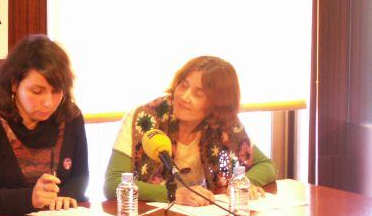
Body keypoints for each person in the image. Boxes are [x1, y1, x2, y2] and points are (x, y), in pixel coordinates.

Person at [104, 55, 277, 205]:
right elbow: (113, 184)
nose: (184, 97)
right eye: (183, 85)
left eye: (198, 94)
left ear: (216, 105)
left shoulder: (224, 124)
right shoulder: (143, 118)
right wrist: (172, 194)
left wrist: (242, 183)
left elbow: (266, 165)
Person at [0, 34, 88, 215]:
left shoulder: (70, 116)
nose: (48, 102)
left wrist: (63, 197)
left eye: (56, 91)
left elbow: (80, 176)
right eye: (37, 91)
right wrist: (30, 199)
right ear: (15, 84)